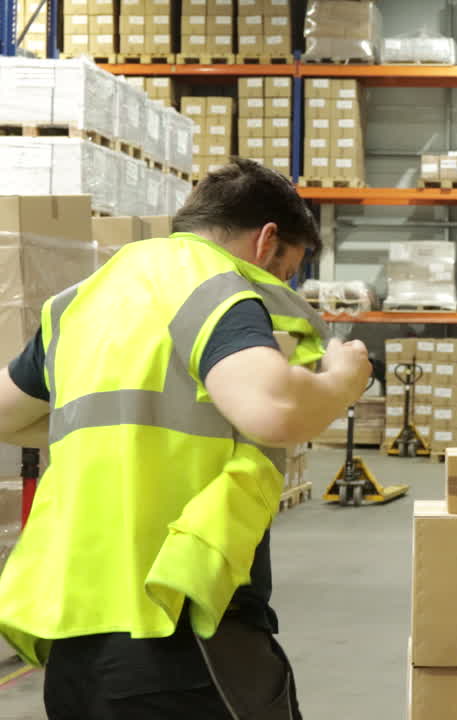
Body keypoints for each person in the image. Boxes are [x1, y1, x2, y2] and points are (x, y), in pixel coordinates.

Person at [0, 158, 372, 719]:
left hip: (74, 638)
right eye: (286, 272)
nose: (281, 288)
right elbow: (274, 408)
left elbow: (7, 412)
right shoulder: (216, 285)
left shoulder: (82, 300)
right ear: (266, 241)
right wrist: (346, 377)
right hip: (181, 625)